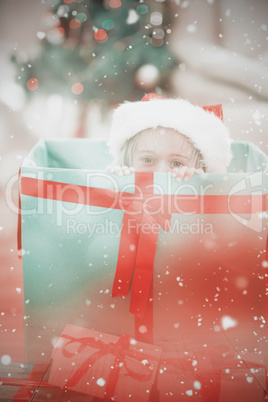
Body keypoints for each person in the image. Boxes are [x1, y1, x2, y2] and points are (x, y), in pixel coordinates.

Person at [107, 93, 232, 180]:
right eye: (148, 160)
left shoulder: (201, 200)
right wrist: (115, 186)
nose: (161, 172)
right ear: (128, 161)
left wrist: (199, 185)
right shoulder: (122, 187)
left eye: (177, 164)